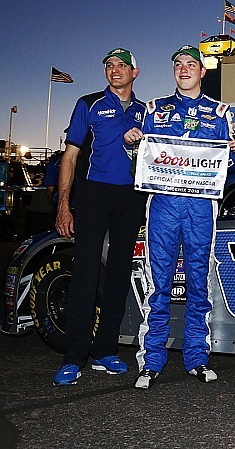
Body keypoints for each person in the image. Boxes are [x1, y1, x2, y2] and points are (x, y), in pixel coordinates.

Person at [125, 45, 235, 389]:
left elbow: (230, 164)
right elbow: (138, 160)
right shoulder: (154, 109)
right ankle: (151, 361)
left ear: (202, 71)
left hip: (200, 209)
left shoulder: (220, 112)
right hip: (163, 206)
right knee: (157, 286)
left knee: (199, 285)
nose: (183, 69)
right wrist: (130, 141)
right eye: (177, 64)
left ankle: (197, 358)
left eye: (190, 64)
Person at [52, 48, 147, 386]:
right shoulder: (88, 103)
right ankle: (74, 357)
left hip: (131, 197)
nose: (115, 70)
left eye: (122, 65)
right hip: (93, 193)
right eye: (109, 65)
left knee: (119, 275)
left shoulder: (145, 111)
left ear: (135, 72)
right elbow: (70, 156)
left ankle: (105, 351)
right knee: (85, 275)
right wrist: (64, 205)